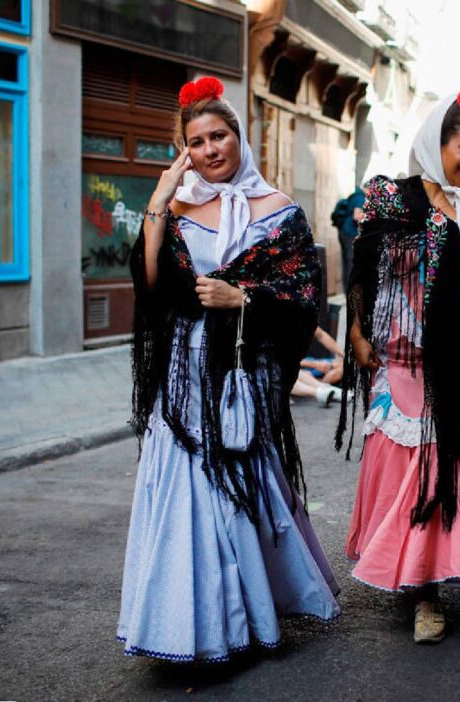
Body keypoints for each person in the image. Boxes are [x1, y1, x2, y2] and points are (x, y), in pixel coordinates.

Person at [120, 77, 339, 663]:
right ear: (184, 149)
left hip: (244, 373)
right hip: (184, 371)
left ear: (239, 137)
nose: (211, 149)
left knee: (238, 483)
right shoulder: (177, 205)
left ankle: (244, 619)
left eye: (219, 135)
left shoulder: (281, 211)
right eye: (197, 141)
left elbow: (302, 297)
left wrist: (242, 298)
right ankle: (182, 625)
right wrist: (159, 202)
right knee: (185, 493)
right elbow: (148, 284)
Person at [336, 78, 460, 644]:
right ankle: (419, 587)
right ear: (436, 143)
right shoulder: (394, 198)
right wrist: (358, 332)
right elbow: (362, 268)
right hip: (400, 356)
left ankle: (432, 586)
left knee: (448, 465)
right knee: (408, 471)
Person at [292, 327, 344, 406]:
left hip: (308, 361)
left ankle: (327, 389)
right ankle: (323, 389)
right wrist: (314, 365)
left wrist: (345, 356)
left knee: (343, 366)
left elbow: (321, 335)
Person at [332, 187, 367, 293]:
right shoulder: (361, 198)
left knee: (346, 261)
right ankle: (350, 289)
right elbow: (356, 216)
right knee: (351, 261)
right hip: (350, 233)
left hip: (343, 231)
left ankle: (346, 288)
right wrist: (369, 218)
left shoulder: (355, 195)